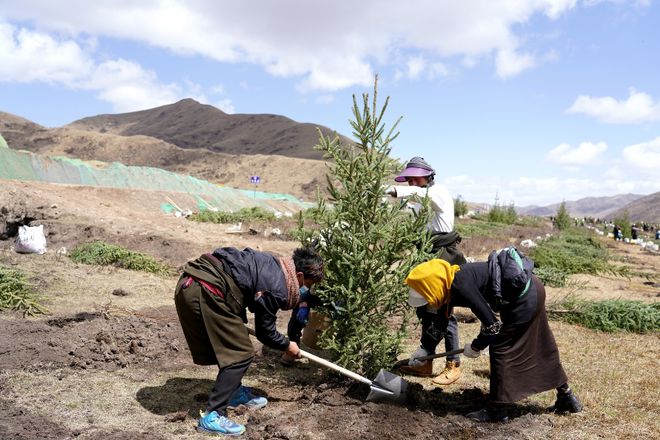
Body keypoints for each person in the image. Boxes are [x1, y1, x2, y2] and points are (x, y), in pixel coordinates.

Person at [404, 255, 582, 423]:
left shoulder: (460, 284)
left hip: (524, 297)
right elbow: (441, 324)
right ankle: (566, 396)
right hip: (533, 289)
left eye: (426, 296)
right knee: (542, 344)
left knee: (501, 348)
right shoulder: (448, 283)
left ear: (432, 286)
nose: (428, 303)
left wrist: (475, 346)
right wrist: (425, 349)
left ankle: (497, 410)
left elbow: (493, 326)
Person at [175, 246, 324, 435]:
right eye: (308, 284)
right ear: (300, 275)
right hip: (204, 290)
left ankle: (234, 392)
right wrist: (287, 345)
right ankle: (213, 415)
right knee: (240, 353)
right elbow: (265, 333)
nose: (306, 289)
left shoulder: (276, 266)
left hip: (195, 283)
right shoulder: (277, 286)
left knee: (237, 340)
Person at [385, 156, 466, 386]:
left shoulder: (437, 192)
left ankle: (454, 363)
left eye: (413, 177)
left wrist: (387, 190)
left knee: (444, 310)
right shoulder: (420, 198)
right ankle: (426, 361)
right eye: (408, 179)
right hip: (427, 256)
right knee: (426, 310)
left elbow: (420, 195)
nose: (411, 182)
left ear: (427, 175)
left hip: (443, 258)